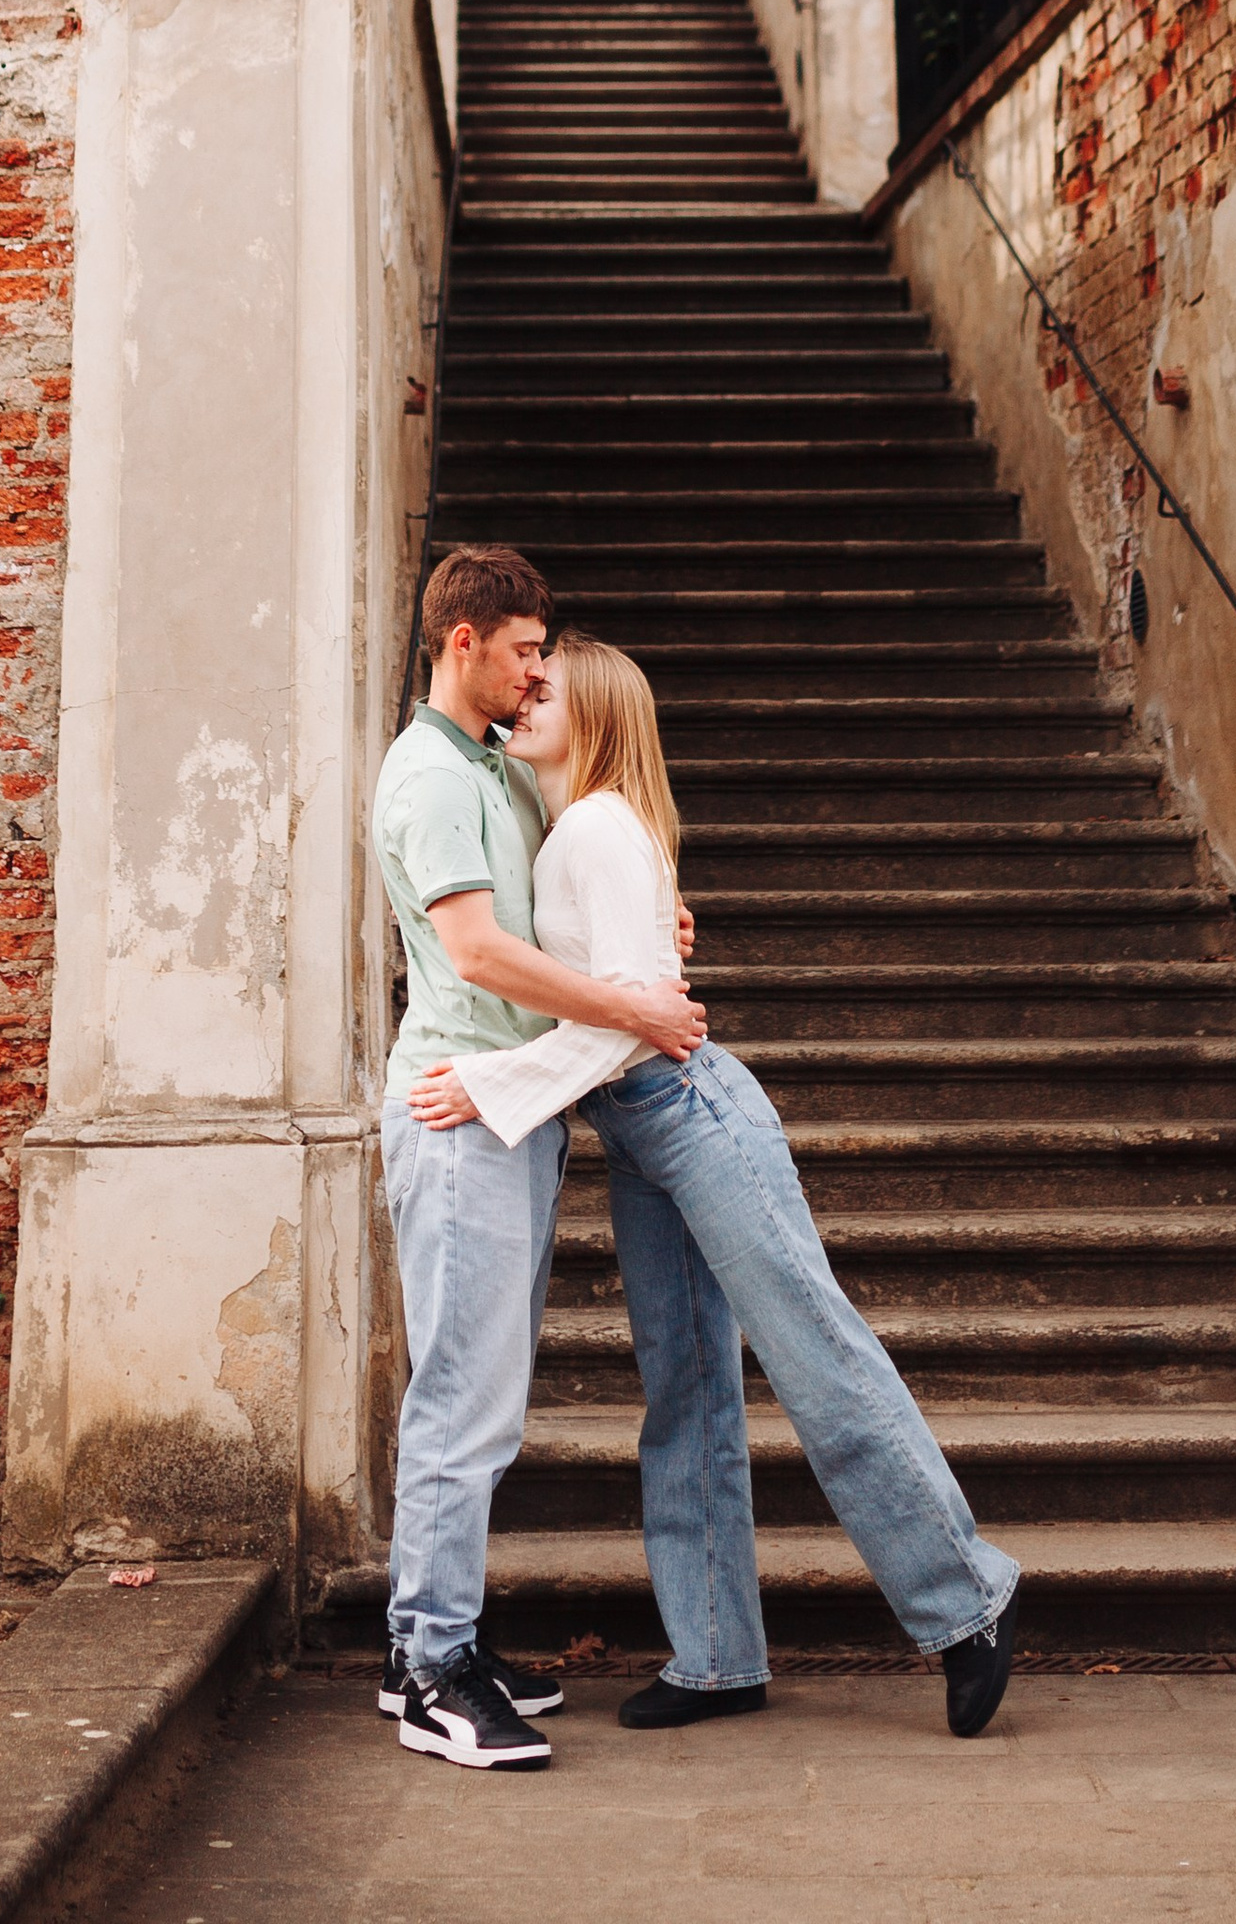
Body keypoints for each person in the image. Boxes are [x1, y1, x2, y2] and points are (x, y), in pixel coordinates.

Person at [409, 629, 1020, 1741]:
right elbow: (612, 986)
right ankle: (716, 1656)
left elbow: (627, 1022)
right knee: (684, 1390)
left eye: (548, 690)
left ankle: (966, 1601)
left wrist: (492, 1083)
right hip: (642, 1131)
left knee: (816, 1355)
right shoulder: (567, 830)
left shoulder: (593, 827)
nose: (527, 698)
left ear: (593, 717)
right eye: (524, 681)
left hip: (689, 1115)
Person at [372, 549, 709, 1769]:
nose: (534, 673)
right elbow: (478, 954)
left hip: (506, 1111)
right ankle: (429, 1672)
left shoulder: (489, 769)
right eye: (522, 650)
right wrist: (636, 1013)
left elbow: (548, 911)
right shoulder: (431, 777)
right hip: (459, 1111)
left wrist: (649, 926)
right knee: (464, 1401)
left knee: (483, 1395)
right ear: (462, 642)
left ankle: (433, 1637)